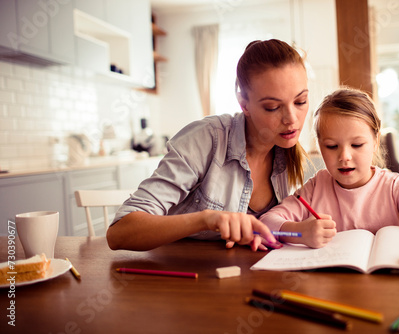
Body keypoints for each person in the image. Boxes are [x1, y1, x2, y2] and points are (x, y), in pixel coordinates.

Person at [106, 39, 310, 252]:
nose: (292, 119)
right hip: (177, 274)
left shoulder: (285, 150)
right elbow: (119, 233)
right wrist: (207, 220)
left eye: (300, 102)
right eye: (272, 107)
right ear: (244, 104)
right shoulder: (207, 139)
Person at [259, 87, 399, 277]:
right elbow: (267, 223)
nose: (344, 156)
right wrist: (299, 233)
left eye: (357, 144)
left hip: (386, 283)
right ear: (320, 146)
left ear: (375, 142)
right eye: (332, 146)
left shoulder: (395, 186)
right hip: (331, 284)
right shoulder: (316, 186)